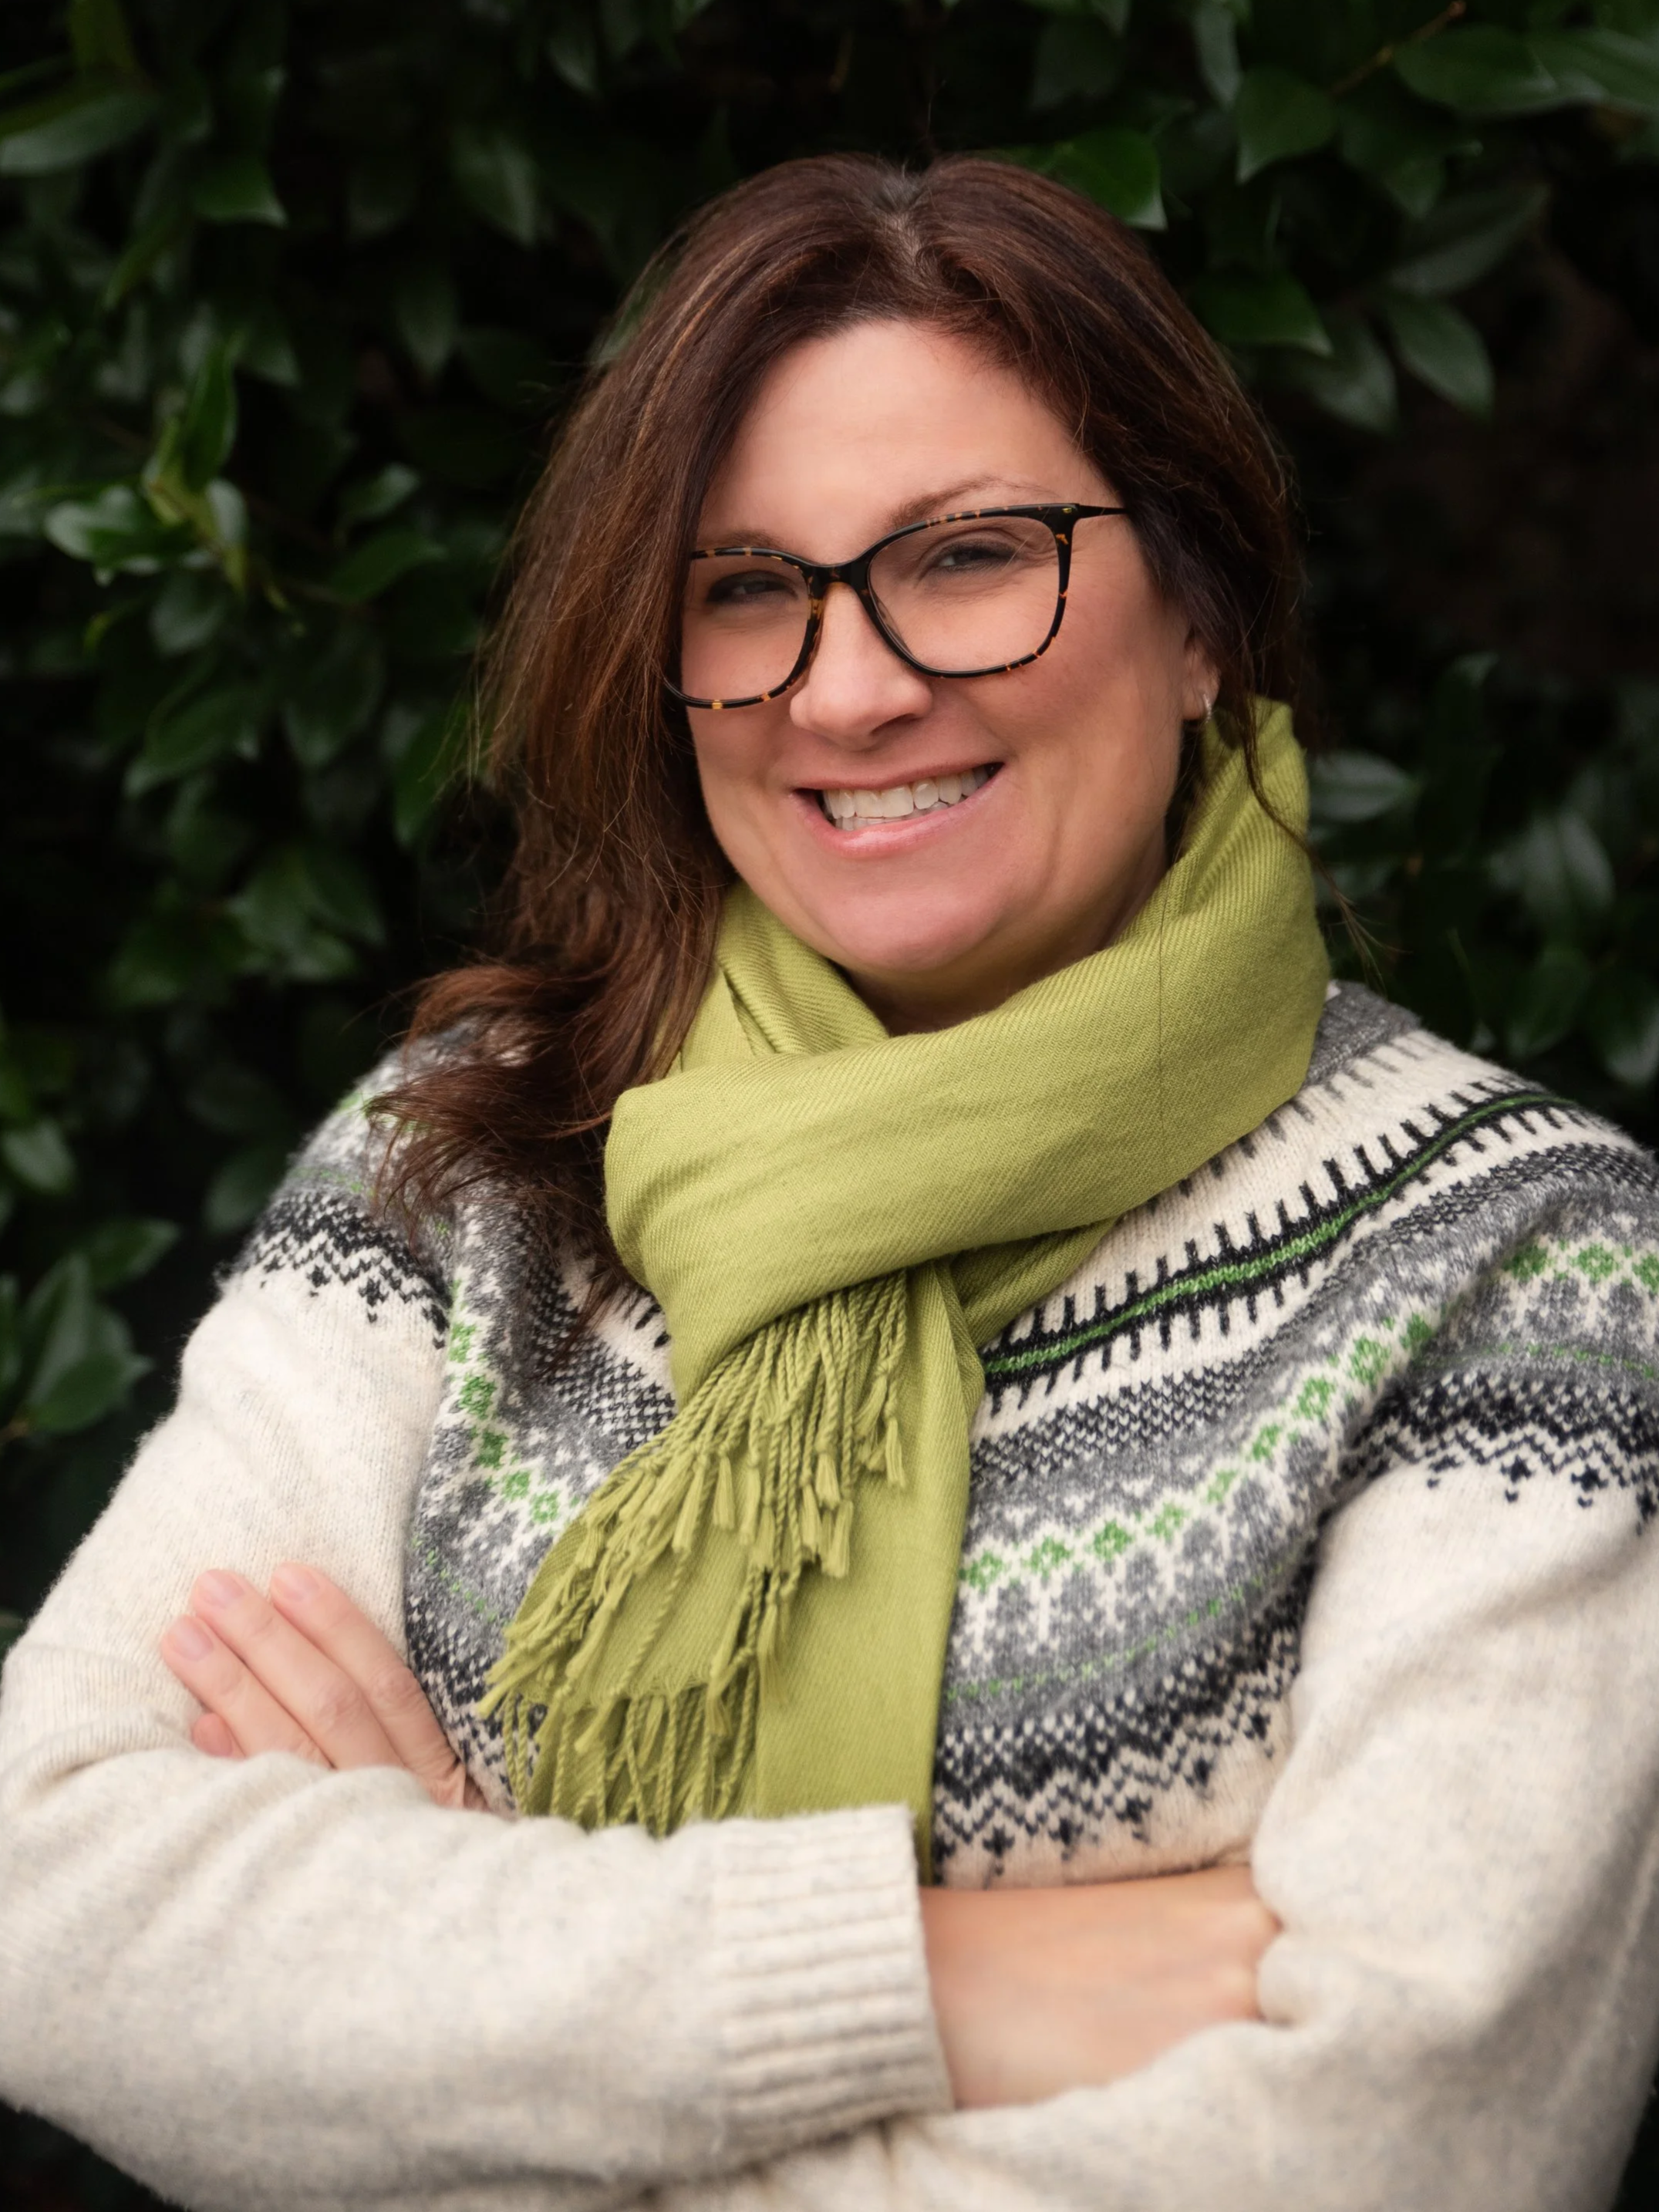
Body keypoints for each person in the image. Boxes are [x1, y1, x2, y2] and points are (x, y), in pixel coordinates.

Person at [2, 151, 1657, 2212]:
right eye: (747, 587)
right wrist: (910, 1972)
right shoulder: (473, 1163)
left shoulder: (1507, 1254)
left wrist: (446, 1973)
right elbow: (46, 1890)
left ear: (1201, 615)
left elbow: (1415, 2140)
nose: (849, 685)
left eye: (967, 554)